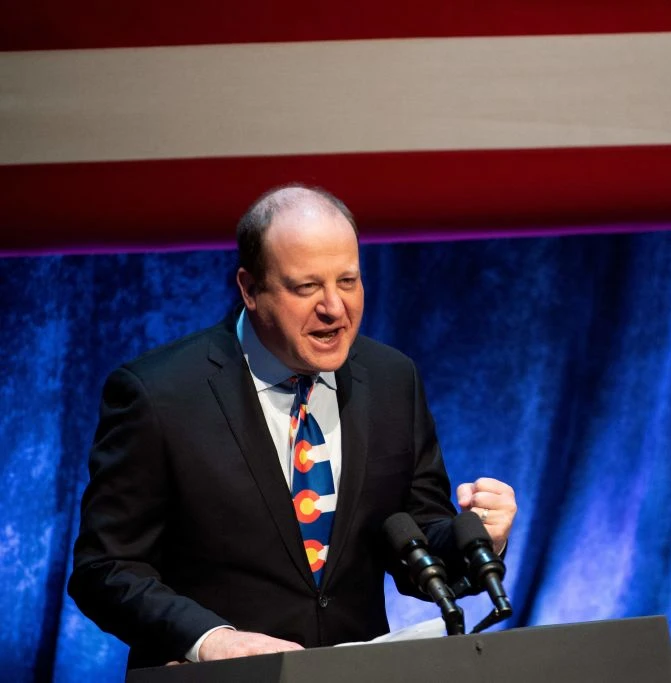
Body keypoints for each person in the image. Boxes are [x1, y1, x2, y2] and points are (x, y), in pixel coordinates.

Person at [68, 185, 517, 668]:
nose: (334, 307)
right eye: (307, 287)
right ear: (250, 288)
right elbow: (106, 568)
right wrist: (211, 640)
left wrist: (480, 538)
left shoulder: (392, 379)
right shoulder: (158, 394)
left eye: (348, 281)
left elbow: (415, 545)